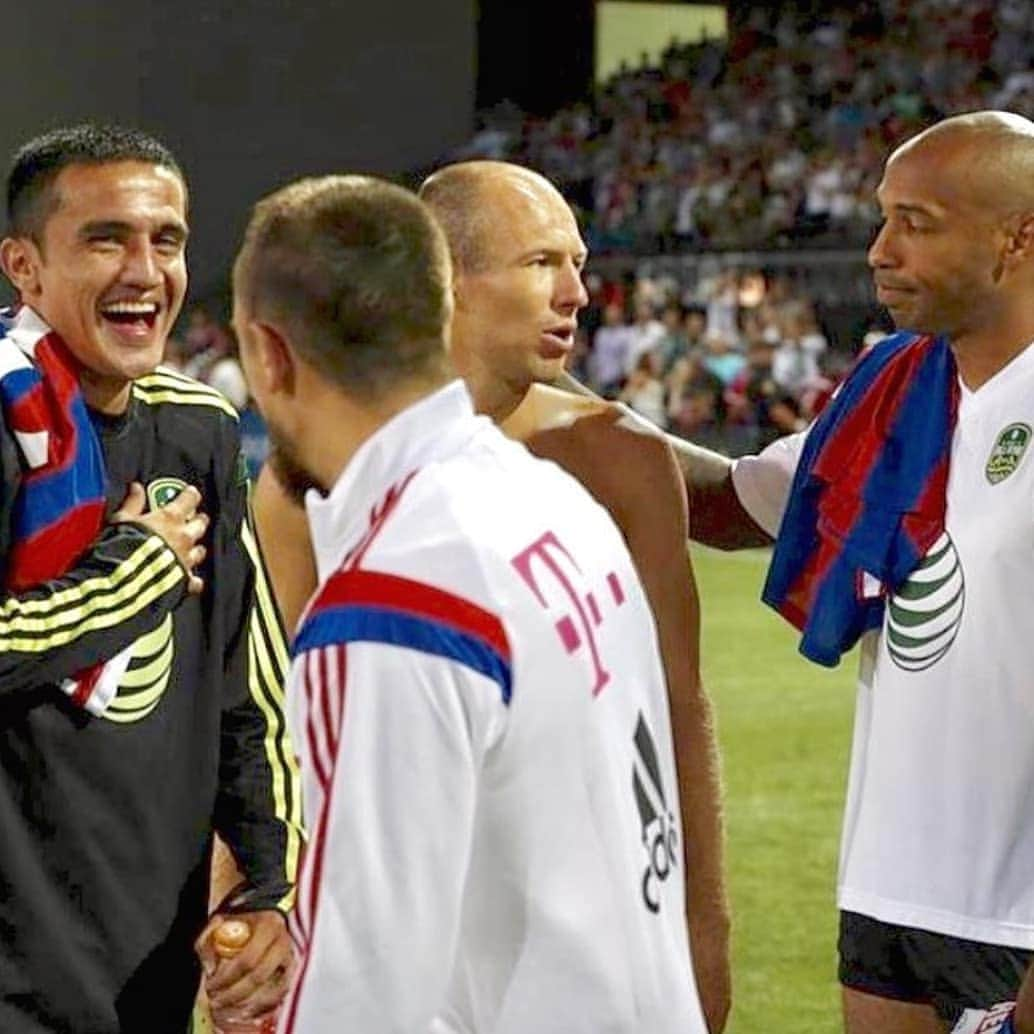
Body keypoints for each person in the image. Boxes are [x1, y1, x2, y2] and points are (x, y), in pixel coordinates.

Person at [253, 161, 731, 1032]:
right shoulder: (544, 503)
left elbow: (671, 708)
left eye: (576, 262)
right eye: (543, 262)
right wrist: (254, 902)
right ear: (446, 280)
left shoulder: (592, 469)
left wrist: (703, 929)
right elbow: (301, 741)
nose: (578, 293)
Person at [671, 110, 1034, 1034]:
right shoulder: (897, 387)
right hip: (892, 894)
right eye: (882, 218)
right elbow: (733, 504)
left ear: (1017, 238)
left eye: (917, 222)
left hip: (1018, 916)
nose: (878, 250)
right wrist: (559, 417)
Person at [0, 124, 301, 1033]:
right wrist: (137, 573)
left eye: (165, 240)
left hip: (146, 971)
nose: (145, 270)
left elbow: (250, 686)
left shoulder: (198, 430)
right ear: (24, 266)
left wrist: (263, 885)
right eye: (105, 239)